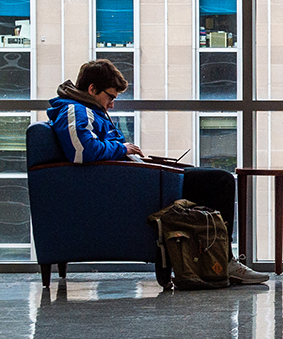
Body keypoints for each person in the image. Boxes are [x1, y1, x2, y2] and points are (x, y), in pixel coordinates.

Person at [45, 59, 269, 285]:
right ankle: (222, 261)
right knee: (219, 181)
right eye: (110, 97)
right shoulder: (74, 110)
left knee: (207, 176)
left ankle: (215, 261)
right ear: (92, 89)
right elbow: (81, 151)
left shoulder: (89, 109)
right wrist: (123, 148)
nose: (112, 104)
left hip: (131, 180)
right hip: (132, 186)